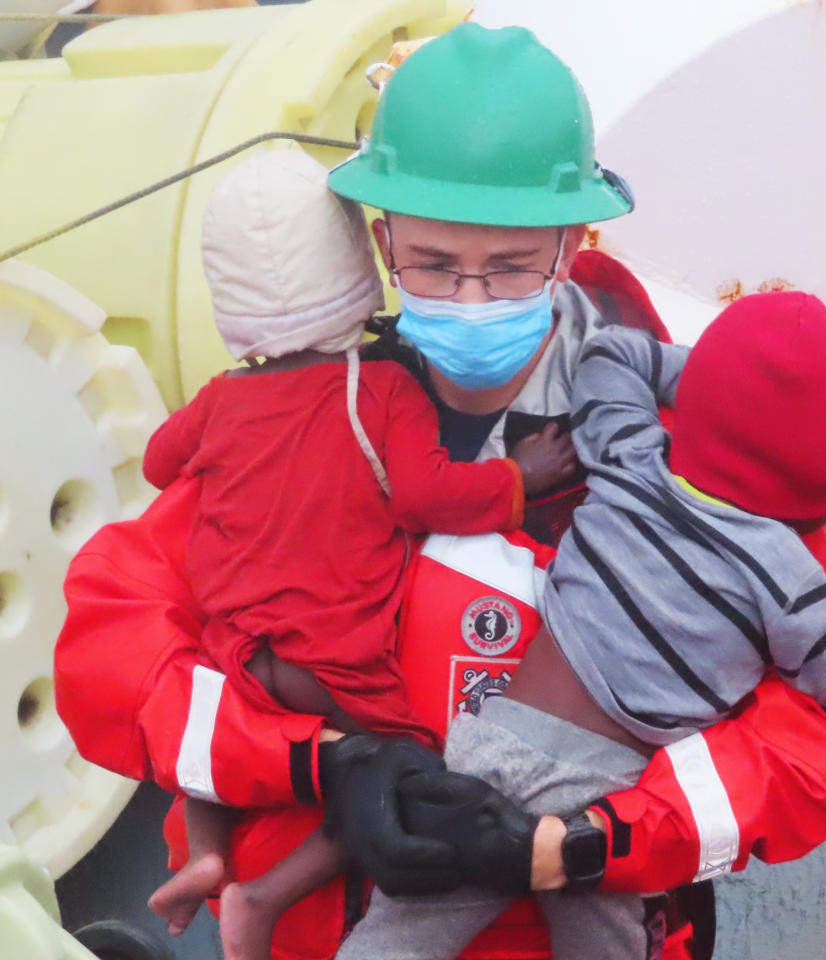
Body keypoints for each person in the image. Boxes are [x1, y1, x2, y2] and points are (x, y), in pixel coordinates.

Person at [54, 23, 826, 960]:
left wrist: (598, 842)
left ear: (571, 243)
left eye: (511, 265)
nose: (471, 297)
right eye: (434, 266)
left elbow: (803, 742)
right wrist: (318, 762)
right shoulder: (292, 416)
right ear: (380, 237)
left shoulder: (712, 444)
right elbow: (113, 639)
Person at [333, 291, 826, 960]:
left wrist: (722, 379)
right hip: (614, 809)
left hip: (498, 750)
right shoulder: (788, 579)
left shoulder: (632, 458)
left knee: (396, 942)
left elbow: (607, 355)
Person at [139, 149, 574, 960]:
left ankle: (205, 854)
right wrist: (520, 479)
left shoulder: (221, 398)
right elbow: (424, 493)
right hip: (328, 657)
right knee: (399, 764)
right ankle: (263, 898)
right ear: (365, 260)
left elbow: (160, 464)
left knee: (207, 740)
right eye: (436, 266)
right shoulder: (379, 391)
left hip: (235, 648)